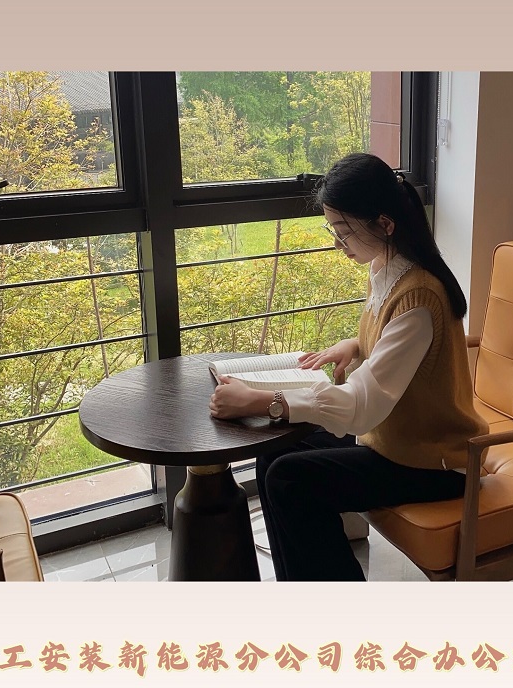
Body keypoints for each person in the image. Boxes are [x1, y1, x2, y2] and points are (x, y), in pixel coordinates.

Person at [209, 152, 488, 581]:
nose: (338, 244)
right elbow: (397, 347)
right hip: (392, 442)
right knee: (274, 453)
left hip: (435, 463)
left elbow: (362, 407)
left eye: (343, 232)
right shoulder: (386, 269)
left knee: (289, 479)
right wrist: (355, 344)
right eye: (333, 231)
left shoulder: (419, 295)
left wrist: (264, 402)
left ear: (385, 224)